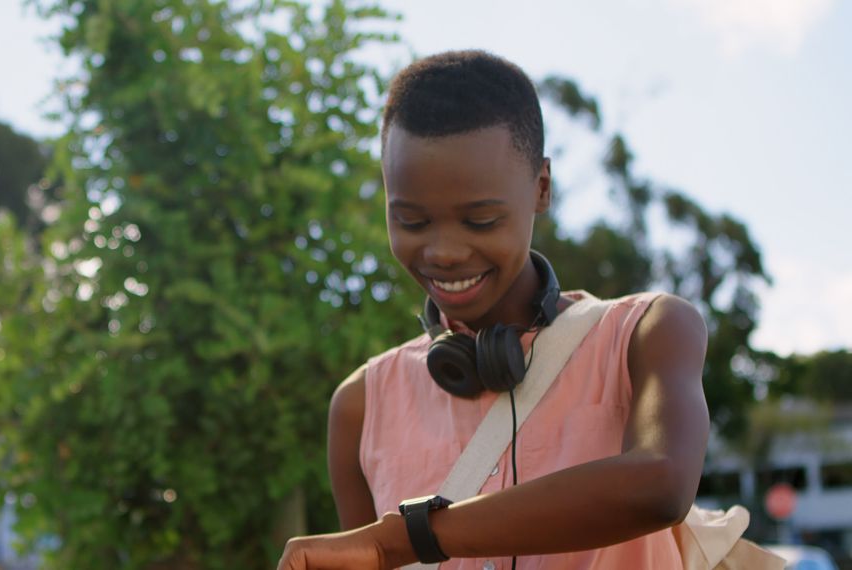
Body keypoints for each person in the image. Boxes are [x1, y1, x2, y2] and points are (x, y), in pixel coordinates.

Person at [276, 50, 710, 569]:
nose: (444, 252)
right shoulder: (360, 406)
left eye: (480, 221)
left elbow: (661, 484)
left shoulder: (649, 332)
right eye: (412, 222)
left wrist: (405, 538)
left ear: (541, 188)